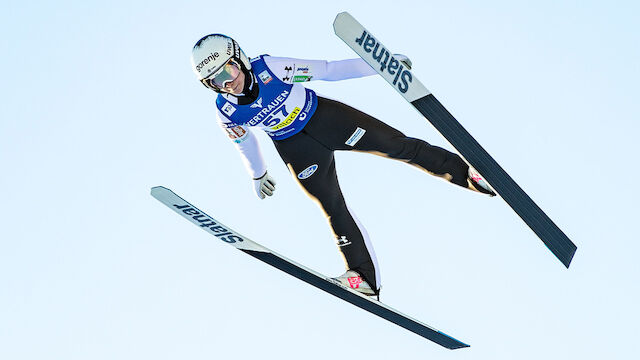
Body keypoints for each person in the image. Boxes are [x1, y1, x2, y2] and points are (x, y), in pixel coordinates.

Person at [190, 34, 495, 299]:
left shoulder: (271, 68)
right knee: (331, 206)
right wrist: (257, 173)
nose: (229, 82)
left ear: (239, 58)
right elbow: (243, 143)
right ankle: (363, 279)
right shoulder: (226, 110)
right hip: (296, 149)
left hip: (326, 119)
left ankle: (468, 175)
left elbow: (330, 71)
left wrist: (382, 65)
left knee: (397, 146)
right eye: (217, 81)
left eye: (229, 69)